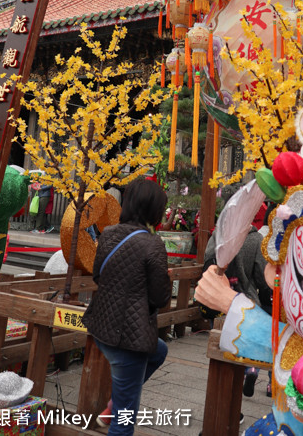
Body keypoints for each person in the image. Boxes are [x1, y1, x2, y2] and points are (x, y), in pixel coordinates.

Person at [82, 178, 171, 435]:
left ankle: (115, 402)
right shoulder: (153, 244)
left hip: (102, 327)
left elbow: (98, 275)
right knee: (125, 420)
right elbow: (160, 298)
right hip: (128, 340)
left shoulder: (108, 233)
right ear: (154, 210)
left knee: (159, 351)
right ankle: (118, 405)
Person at [202, 224, 272, 399]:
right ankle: (250, 369)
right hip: (245, 301)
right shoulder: (256, 239)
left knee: (223, 352)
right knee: (243, 343)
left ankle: (226, 400)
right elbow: (262, 278)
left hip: (218, 299)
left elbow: (207, 260)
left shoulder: (219, 234)